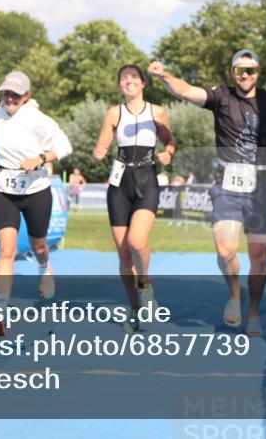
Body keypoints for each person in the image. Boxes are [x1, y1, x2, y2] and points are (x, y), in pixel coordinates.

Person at [149, 49, 266, 336]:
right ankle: (235, 294)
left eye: (250, 70)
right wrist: (164, 76)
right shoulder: (221, 96)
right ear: (233, 72)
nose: (245, 75)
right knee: (225, 250)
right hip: (228, 185)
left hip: (263, 187)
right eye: (240, 70)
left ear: (258, 72)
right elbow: (186, 91)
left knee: (259, 256)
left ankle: (254, 313)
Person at [0, 71, 72, 336]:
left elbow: (65, 145)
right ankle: (0, 309)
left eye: (16, 94)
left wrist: (41, 158)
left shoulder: (38, 119)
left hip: (35, 189)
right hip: (3, 188)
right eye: (7, 93)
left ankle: (44, 267)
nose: (10, 98)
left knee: (39, 245)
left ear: (27, 96)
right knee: (6, 250)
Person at [93, 64, 175, 332]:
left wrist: (169, 153)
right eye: (123, 78)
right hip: (120, 183)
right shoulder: (114, 112)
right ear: (120, 86)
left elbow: (169, 141)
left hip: (147, 179)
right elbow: (103, 144)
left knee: (137, 241)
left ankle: (146, 285)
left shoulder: (157, 111)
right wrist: (100, 151)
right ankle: (135, 310)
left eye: (133, 77)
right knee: (124, 254)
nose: (128, 81)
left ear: (143, 83)